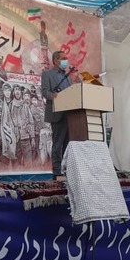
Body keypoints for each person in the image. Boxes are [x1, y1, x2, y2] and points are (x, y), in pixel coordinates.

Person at [41, 50, 73, 178]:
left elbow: (72, 92)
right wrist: (55, 96)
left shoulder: (68, 76)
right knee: (58, 144)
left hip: (69, 114)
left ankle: (67, 170)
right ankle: (57, 172)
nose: (66, 61)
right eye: (63, 58)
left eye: (66, 58)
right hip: (57, 112)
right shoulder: (47, 74)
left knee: (68, 145)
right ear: (55, 60)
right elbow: (45, 92)